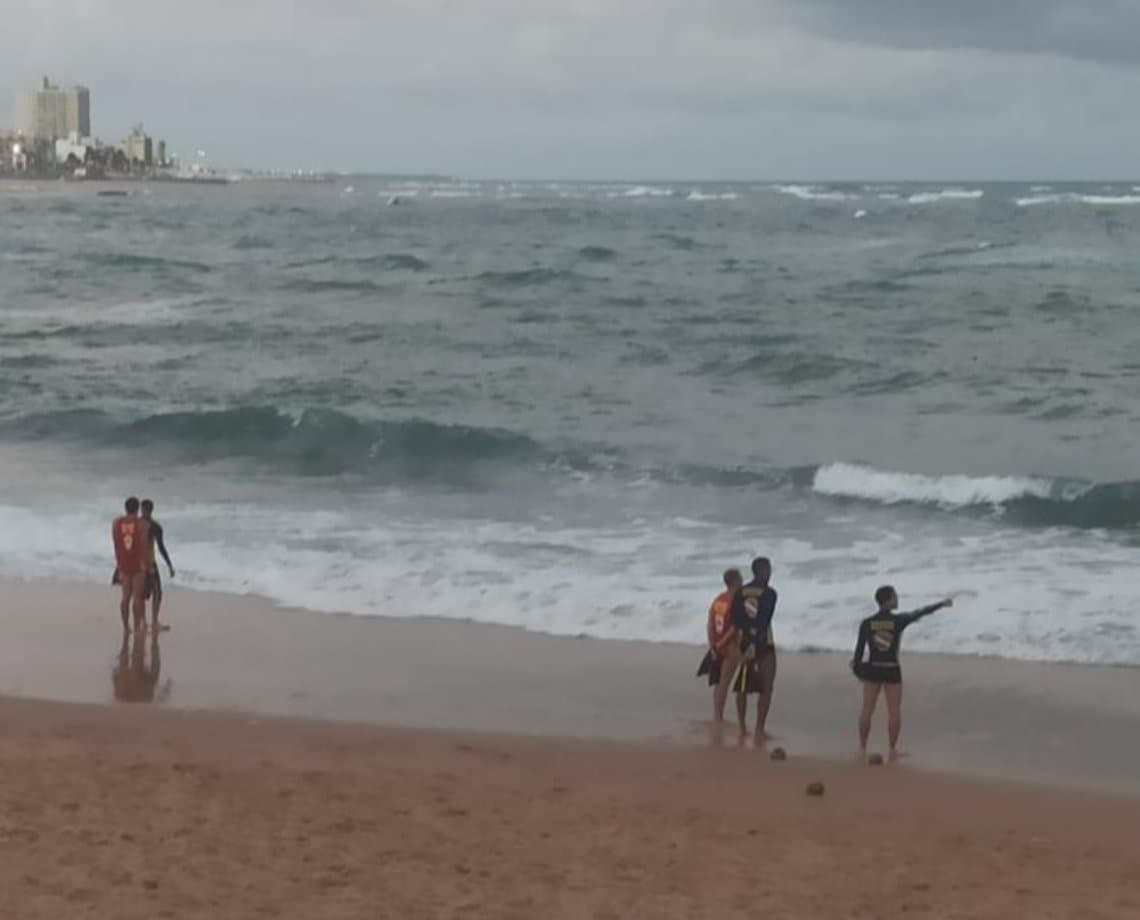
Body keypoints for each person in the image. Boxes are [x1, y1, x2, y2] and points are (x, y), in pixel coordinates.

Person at [851, 586, 953, 762]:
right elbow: (919, 613)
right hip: (891, 669)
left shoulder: (867, 623)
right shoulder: (898, 621)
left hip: (873, 668)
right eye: (895, 596)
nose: (897, 599)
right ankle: (892, 750)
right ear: (888, 600)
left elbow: (858, 654)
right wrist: (941, 604)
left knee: (867, 710)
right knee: (894, 712)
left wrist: (858, 671)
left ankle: (861, 748)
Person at [729, 557, 778, 741]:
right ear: (763, 571)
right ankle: (759, 729)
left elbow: (736, 619)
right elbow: (763, 619)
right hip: (763, 643)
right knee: (767, 686)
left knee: (742, 686)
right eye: (769, 570)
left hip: (743, 642)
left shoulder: (741, 591)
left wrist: (740, 643)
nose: (770, 573)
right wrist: (754, 642)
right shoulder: (770, 593)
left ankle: (742, 727)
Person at [699, 568, 743, 724]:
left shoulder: (719, 599)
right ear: (736, 580)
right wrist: (722, 643)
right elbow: (734, 628)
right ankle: (719, 718)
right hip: (730, 646)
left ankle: (717, 715)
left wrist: (713, 645)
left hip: (717, 645)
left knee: (719, 683)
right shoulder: (737, 600)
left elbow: (710, 624)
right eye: (740, 578)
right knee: (724, 682)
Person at [111, 497, 150, 633]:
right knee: (137, 598)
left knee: (125, 597)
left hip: (123, 562)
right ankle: (137, 626)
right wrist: (146, 564)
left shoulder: (116, 523)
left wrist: (118, 560)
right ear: (137, 509)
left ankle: (126, 627)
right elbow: (144, 546)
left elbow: (116, 542)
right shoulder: (142, 524)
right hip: (138, 564)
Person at [140, 499, 175, 631]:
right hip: (149, 563)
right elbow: (161, 548)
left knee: (142, 594)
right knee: (156, 592)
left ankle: (145, 622)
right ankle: (153, 622)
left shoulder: (137, 524)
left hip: (140, 563)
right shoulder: (155, 526)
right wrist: (169, 565)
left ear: (142, 510)